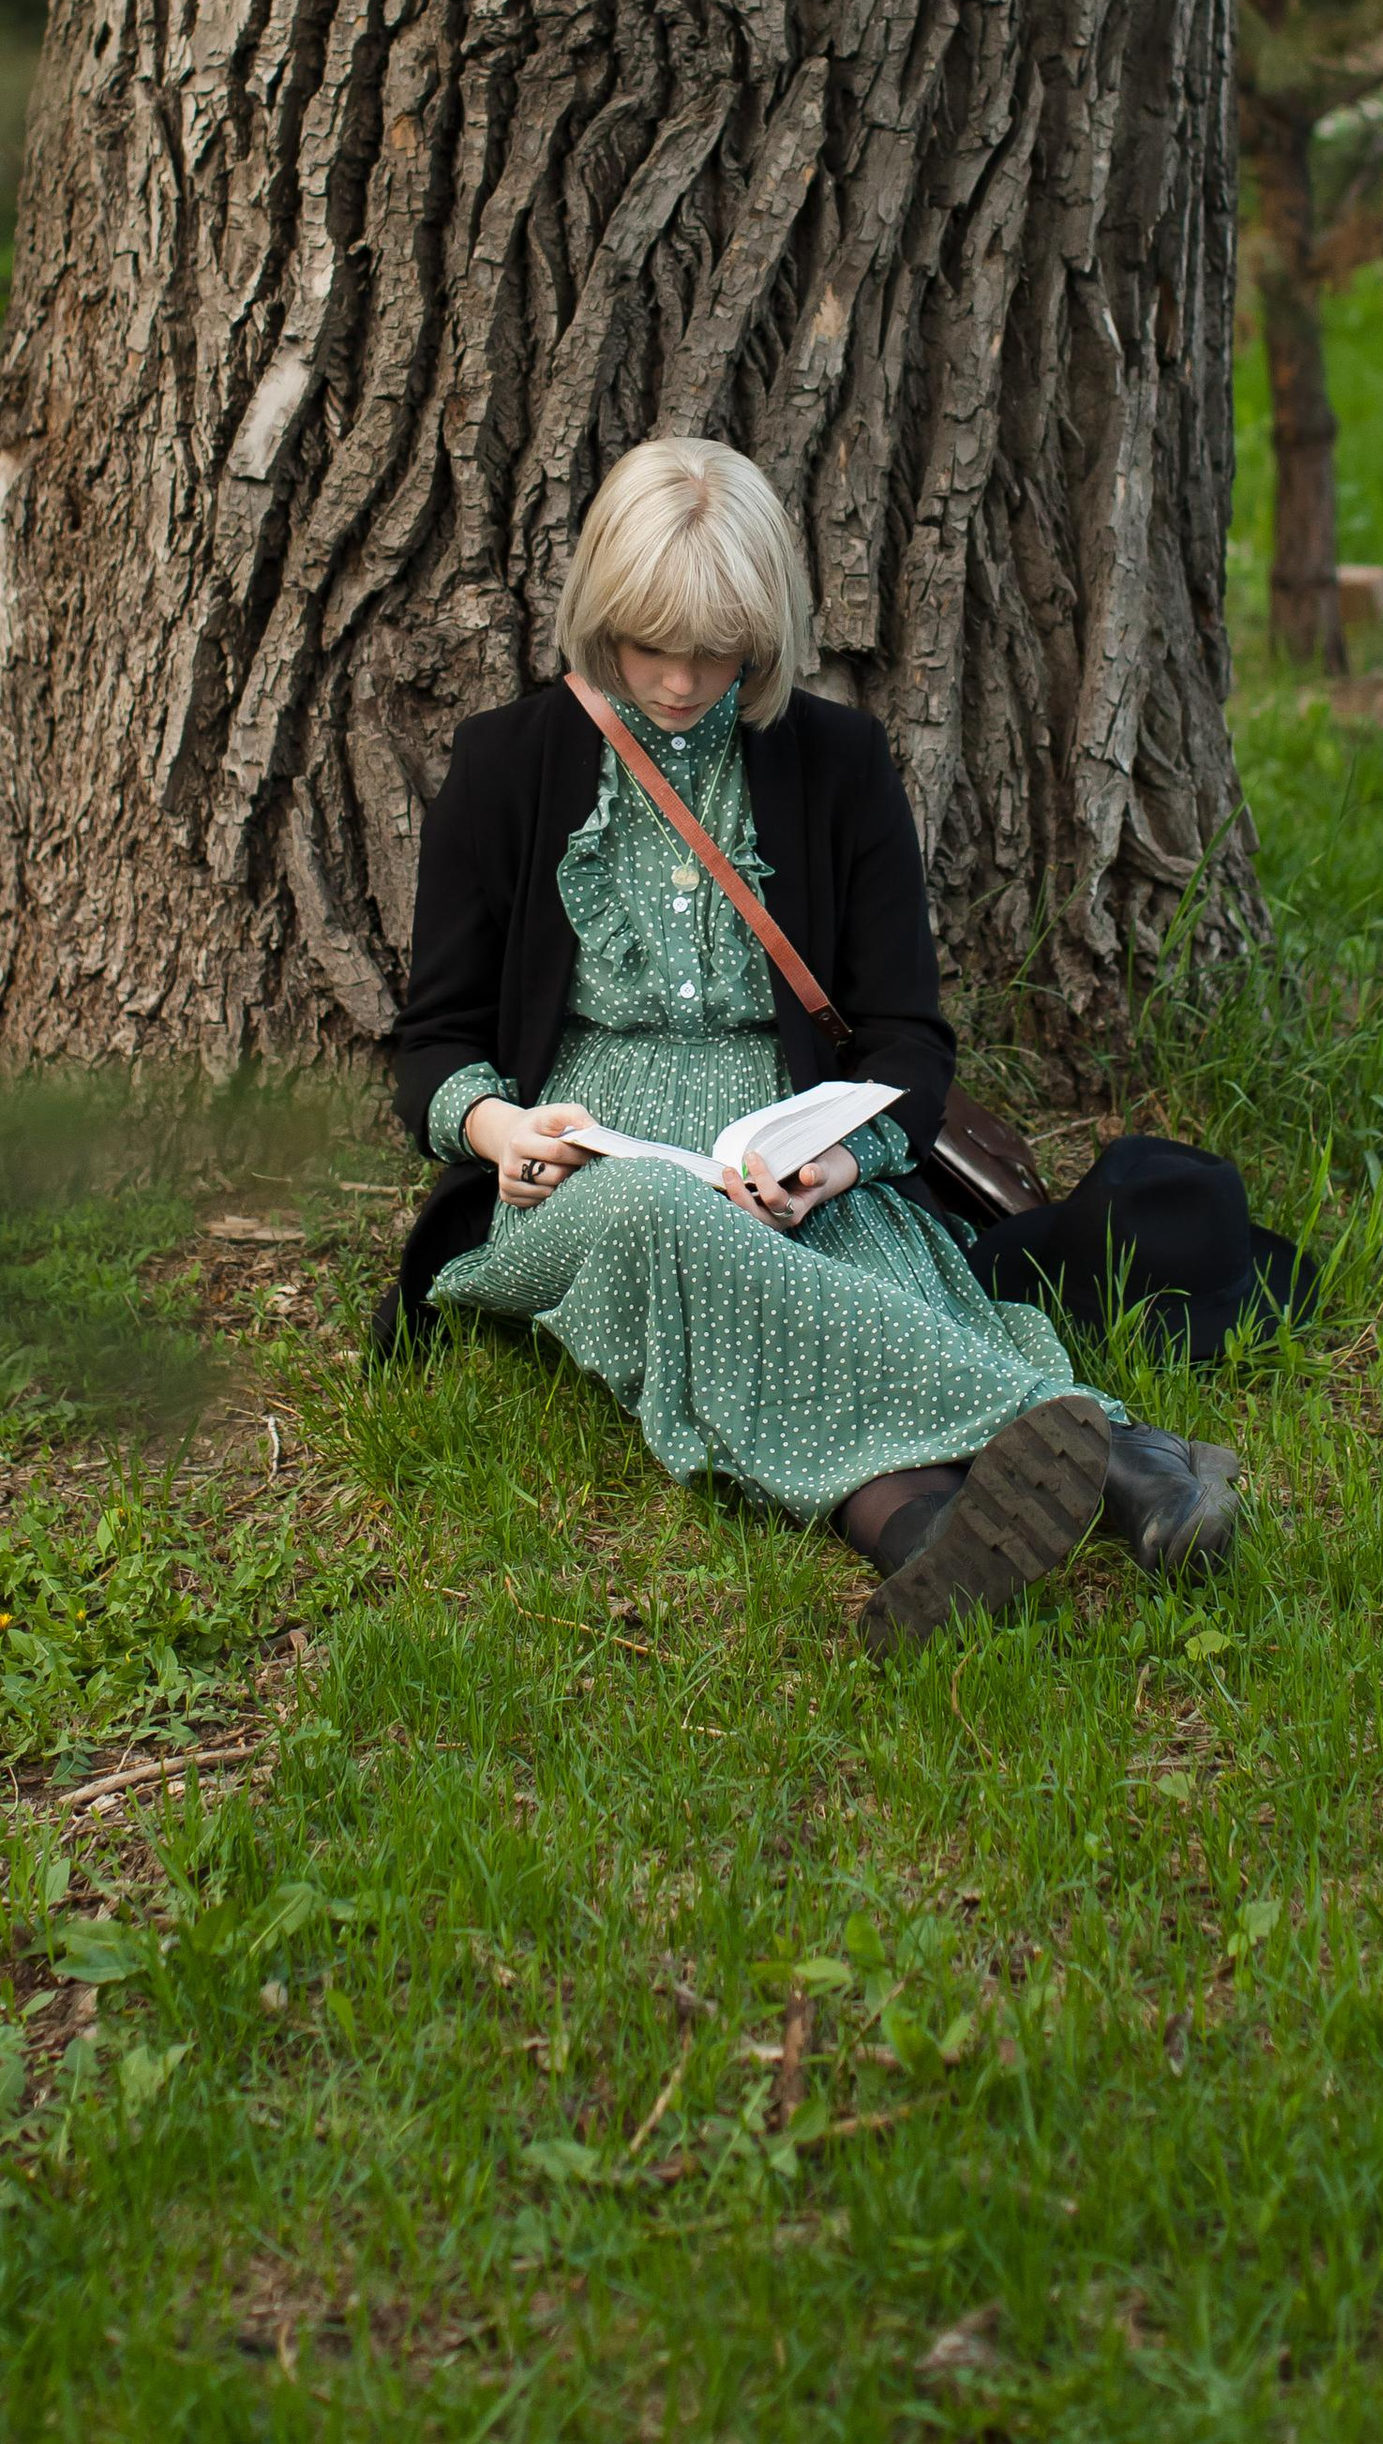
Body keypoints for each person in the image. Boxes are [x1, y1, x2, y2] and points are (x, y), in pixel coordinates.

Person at [382, 438, 1237, 1653]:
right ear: (597, 620)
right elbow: (435, 1042)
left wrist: (838, 1160)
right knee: (657, 1220)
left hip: (778, 1142)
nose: (679, 683)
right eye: (647, 645)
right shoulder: (505, 766)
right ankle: (1121, 1460)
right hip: (588, 1179)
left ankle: (926, 1535)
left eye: (714, 651)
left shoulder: (834, 762)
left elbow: (903, 1029)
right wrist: (497, 1128)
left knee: (848, 1268)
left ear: (765, 633)